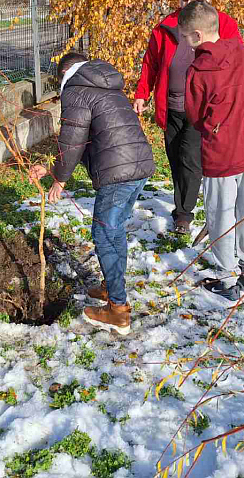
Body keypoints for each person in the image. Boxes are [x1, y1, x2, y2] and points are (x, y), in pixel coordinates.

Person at [30, 53, 155, 334]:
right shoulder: (105, 85)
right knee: (114, 232)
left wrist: (59, 181)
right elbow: (88, 138)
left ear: (64, 73)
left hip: (117, 173)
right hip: (138, 166)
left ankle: (118, 311)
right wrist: (52, 169)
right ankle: (113, 289)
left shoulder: (76, 90)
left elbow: (72, 141)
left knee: (104, 235)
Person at [133, 0, 242, 235]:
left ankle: (183, 214)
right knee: (174, 157)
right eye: (183, 0)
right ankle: (183, 202)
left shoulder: (225, 25)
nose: (186, 6)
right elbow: (151, 63)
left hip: (201, 109)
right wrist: (141, 93)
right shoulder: (165, 26)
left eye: (194, 2)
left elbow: (234, 64)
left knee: (190, 159)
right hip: (170, 105)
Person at [180, 0, 244, 301]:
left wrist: (212, 125)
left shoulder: (198, 71)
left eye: (186, 38)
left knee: (220, 215)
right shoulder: (241, 52)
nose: (186, 44)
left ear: (198, 36)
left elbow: (194, 114)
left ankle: (227, 278)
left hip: (220, 155)